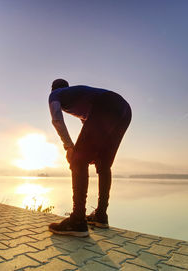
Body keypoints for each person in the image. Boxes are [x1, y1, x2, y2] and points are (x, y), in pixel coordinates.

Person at [48, 79, 131, 237]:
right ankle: (101, 215)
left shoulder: (55, 94)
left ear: (53, 89)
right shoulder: (79, 96)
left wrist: (70, 147)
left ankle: (78, 220)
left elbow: (57, 119)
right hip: (125, 110)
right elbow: (89, 126)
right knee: (104, 164)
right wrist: (90, 152)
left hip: (107, 104)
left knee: (77, 160)